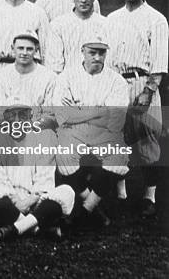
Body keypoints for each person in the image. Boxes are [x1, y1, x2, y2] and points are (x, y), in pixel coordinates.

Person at [106, 0, 168, 217]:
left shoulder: (156, 18)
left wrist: (150, 89)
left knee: (147, 138)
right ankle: (121, 194)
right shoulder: (112, 18)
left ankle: (149, 197)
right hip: (119, 83)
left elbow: (160, 59)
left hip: (143, 82)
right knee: (118, 138)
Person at [52, 34, 130, 227]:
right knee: (65, 156)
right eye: (92, 52)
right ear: (82, 52)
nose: (97, 57)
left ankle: (85, 210)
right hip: (73, 132)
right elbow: (62, 117)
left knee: (117, 159)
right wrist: (98, 111)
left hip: (105, 134)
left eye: (101, 52)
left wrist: (79, 111)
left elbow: (115, 121)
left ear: (106, 53)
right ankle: (95, 209)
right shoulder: (67, 77)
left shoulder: (117, 81)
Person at [0, 104, 75, 240]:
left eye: (22, 115)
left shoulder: (42, 138)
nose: (17, 121)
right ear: (5, 118)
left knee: (66, 192)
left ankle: (15, 228)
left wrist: (30, 200)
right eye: (12, 116)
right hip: (8, 204)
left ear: (30, 117)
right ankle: (34, 229)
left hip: (36, 203)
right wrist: (16, 202)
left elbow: (44, 180)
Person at [46, 0, 108, 74]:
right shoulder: (58, 25)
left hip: (99, 82)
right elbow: (54, 66)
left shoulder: (106, 24)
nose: (83, 0)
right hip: (69, 83)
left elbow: (109, 61)